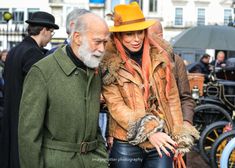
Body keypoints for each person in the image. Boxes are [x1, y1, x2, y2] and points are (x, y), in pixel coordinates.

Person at [101, 2, 199, 168]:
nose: (136, 39)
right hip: (127, 141)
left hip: (162, 140)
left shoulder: (161, 58)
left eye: (140, 32)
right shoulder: (109, 64)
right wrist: (150, 131)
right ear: (119, 36)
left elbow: (172, 99)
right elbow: (116, 107)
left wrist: (178, 135)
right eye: (129, 34)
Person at [18, 12, 109, 168]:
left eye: (105, 43)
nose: (102, 49)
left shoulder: (94, 69)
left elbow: (93, 125)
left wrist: (101, 157)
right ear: (77, 38)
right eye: (97, 42)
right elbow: (29, 135)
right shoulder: (42, 71)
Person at [0, 11, 59, 168]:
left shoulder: (15, 50)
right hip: (24, 117)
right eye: (51, 32)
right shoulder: (32, 53)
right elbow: (42, 87)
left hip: (10, 112)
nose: (51, 36)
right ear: (44, 30)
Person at [147, 20, 195, 126]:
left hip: (171, 125)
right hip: (146, 129)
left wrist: (187, 122)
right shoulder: (139, 60)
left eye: (147, 36)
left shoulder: (176, 61)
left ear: (160, 36)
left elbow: (185, 98)